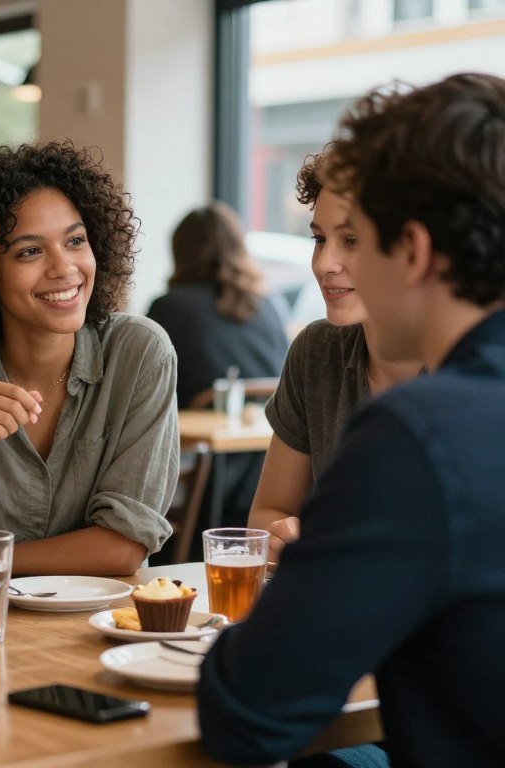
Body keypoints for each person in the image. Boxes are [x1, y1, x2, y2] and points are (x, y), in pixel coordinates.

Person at [198, 72, 505, 767]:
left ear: (415, 251)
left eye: (359, 238)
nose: (334, 267)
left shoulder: (419, 433)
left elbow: (249, 711)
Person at [0, 142, 180, 581]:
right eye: (30, 251)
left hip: (108, 630)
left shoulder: (139, 353)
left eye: (76, 241)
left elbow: (123, 548)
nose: (65, 268)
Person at [248, 147, 422, 571]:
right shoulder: (317, 351)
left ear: (413, 249)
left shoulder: (476, 366)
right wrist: (287, 538)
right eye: (319, 239)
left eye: (351, 241)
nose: (324, 263)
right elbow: (265, 515)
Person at [147, 202, 287, 557]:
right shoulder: (267, 307)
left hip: (196, 481)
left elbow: (146, 394)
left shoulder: (169, 308)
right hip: (264, 477)